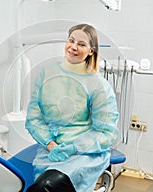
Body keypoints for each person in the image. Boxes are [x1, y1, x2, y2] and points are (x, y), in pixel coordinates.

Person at [25, 23, 119, 192]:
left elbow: (106, 132)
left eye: (81, 44)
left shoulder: (99, 86)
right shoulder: (46, 75)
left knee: (46, 187)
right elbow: (34, 118)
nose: (74, 47)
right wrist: (50, 143)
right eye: (71, 41)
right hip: (51, 150)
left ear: (91, 50)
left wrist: (75, 146)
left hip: (84, 154)